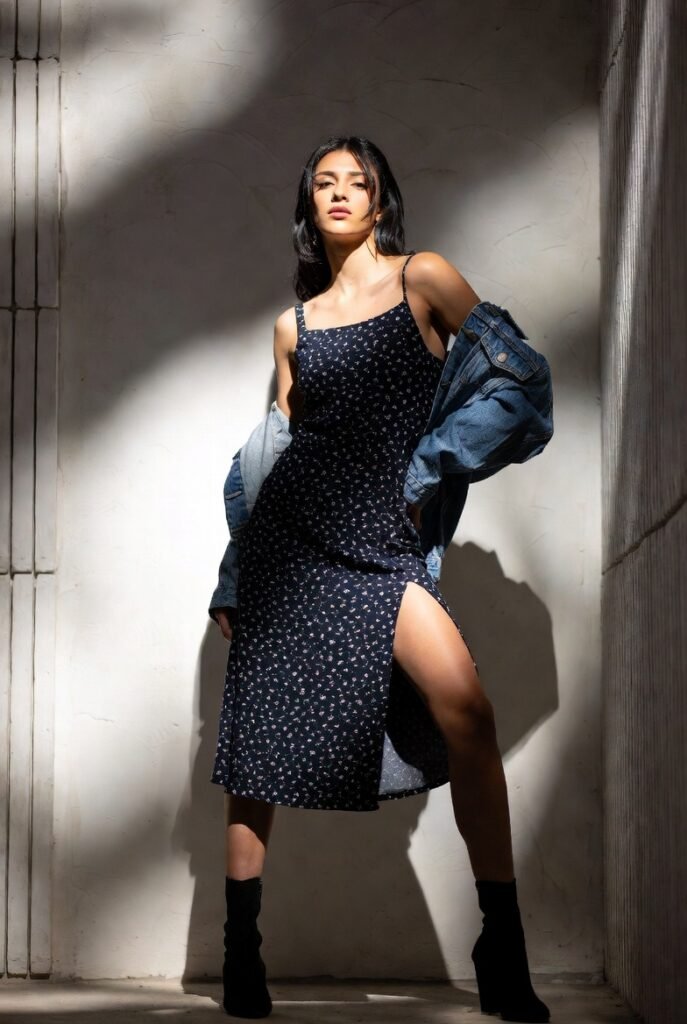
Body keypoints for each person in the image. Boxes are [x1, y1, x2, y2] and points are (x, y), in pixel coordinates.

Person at [213, 136, 550, 1023]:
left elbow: (518, 379)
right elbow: (270, 455)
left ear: (379, 200)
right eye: (322, 182)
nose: (338, 193)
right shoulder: (295, 325)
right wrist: (234, 576)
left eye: (355, 182)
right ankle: (240, 953)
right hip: (291, 544)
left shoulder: (422, 279)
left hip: (382, 545)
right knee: (258, 744)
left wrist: (430, 464)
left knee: (467, 714)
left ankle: (500, 947)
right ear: (308, 204)